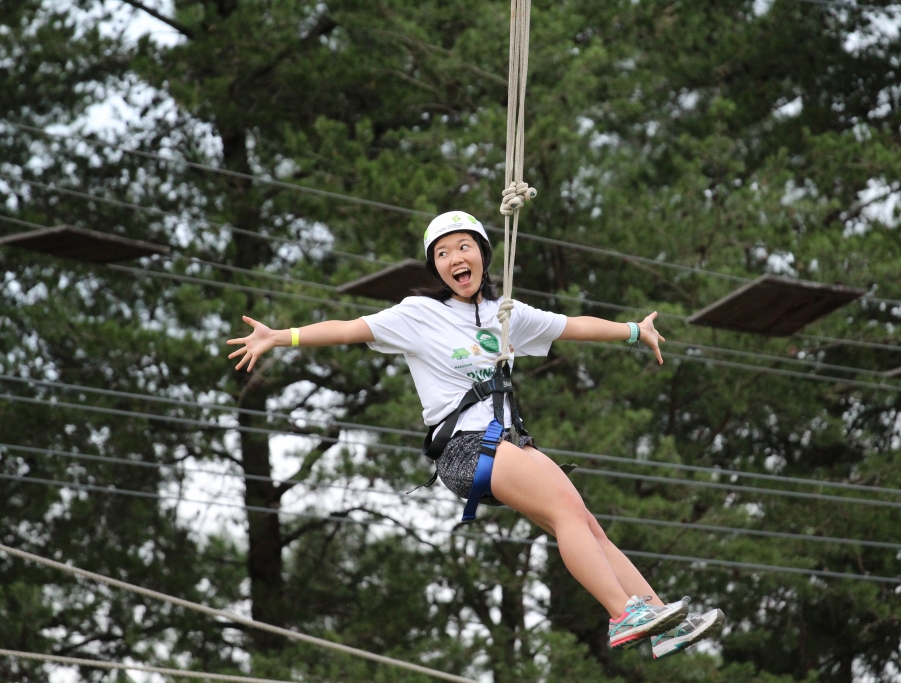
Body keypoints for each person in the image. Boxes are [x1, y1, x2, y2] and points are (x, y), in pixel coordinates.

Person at [227, 210, 724, 657]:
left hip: (508, 444)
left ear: (483, 255)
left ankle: (662, 623)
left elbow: (573, 325)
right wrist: (280, 336)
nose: (453, 259)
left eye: (463, 247)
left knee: (587, 524)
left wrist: (634, 330)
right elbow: (347, 328)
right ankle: (623, 615)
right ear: (437, 269)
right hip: (466, 449)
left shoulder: (505, 317)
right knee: (568, 513)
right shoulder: (417, 315)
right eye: (442, 253)